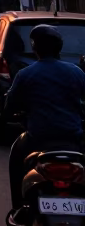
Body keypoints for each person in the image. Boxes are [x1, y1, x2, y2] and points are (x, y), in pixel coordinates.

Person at [5, 24, 85, 210]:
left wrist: (16, 114)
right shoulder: (76, 72)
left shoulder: (26, 74)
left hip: (37, 139)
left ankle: (19, 208)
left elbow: (9, 106)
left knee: (16, 160)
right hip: (73, 138)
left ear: (34, 47)